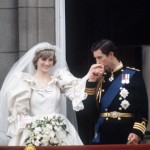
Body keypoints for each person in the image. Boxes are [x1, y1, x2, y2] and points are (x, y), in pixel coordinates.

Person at [0, 42, 89, 146]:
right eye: (43, 59)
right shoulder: (26, 82)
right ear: (36, 61)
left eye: (50, 60)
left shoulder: (58, 79)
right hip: (34, 131)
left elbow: (76, 91)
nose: (47, 63)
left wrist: (89, 76)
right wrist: (34, 130)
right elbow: (21, 114)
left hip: (59, 129)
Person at [84, 39, 149, 144]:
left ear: (110, 54)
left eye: (100, 57)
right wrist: (91, 81)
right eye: (95, 58)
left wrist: (137, 132)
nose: (97, 62)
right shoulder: (98, 77)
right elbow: (88, 110)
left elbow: (143, 110)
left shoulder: (133, 75)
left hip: (126, 133)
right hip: (103, 133)